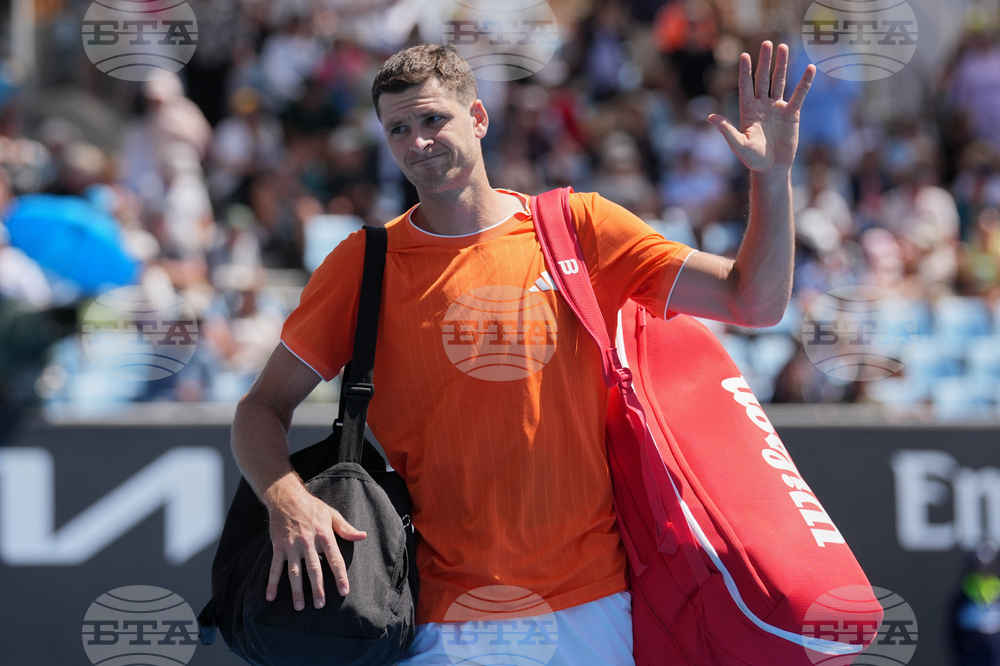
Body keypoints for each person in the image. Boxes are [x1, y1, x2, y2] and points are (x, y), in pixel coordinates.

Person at [230, 42, 814, 664]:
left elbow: (753, 302)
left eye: (433, 119)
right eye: (398, 128)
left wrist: (771, 177)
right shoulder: (363, 264)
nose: (417, 142)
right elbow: (261, 407)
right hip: (443, 621)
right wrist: (286, 500)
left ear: (478, 118)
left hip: (592, 609)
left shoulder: (577, 228)